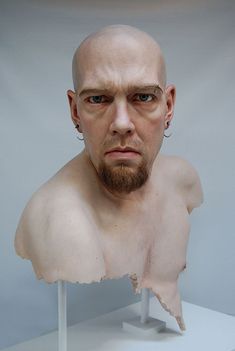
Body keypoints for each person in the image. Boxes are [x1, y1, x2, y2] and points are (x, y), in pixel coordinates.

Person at [15, 25, 203, 331]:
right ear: (75, 111)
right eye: (98, 99)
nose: (122, 124)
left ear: (168, 106)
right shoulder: (59, 222)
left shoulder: (183, 182)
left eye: (143, 96)